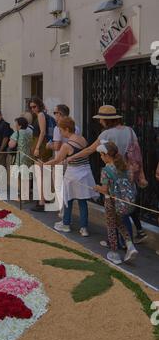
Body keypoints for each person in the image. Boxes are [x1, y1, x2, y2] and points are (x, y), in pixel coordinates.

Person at [67, 105, 148, 244]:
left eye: (101, 119)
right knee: (125, 207)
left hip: (112, 174)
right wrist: (141, 176)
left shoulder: (106, 135)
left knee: (112, 210)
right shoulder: (130, 131)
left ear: (106, 120)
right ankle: (126, 241)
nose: (100, 122)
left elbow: (89, 150)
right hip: (127, 173)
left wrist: (72, 157)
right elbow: (138, 156)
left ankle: (117, 241)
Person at [44, 117, 99, 237]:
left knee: (67, 199)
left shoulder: (66, 145)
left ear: (67, 129)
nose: (61, 134)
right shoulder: (83, 139)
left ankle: (66, 224)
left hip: (72, 174)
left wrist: (43, 164)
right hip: (85, 173)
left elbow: (57, 160)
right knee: (82, 201)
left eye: (61, 131)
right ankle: (84, 228)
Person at [94, 141, 138, 265]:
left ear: (107, 155)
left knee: (111, 226)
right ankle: (130, 245)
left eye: (102, 155)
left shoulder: (106, 170)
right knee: (119, 223)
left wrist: (97, 188)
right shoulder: (123, 166)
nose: (101, 158)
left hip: (110, 202)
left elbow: (105, 189)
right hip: (122, 202)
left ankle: (114, 253)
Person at [28, 98, 55, 211]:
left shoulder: (40, 115)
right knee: (44, 173)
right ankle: (45, 198)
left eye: (34, 106)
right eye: (31, 107)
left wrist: (37, 147)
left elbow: (43, 132)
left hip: (41, 145)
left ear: (39, 106)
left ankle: (42, 201)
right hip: (43, 145)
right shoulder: (43, 115)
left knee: (40, 174)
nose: (33, 109)